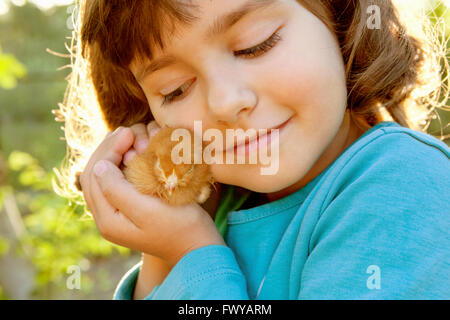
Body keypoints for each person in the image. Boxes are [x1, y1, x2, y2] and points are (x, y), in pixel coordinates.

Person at [56, 0, 450, 299]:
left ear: (339, 17)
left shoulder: (402, 183)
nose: (226, 101)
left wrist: (193, 254)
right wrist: (162, 242)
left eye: (256, 45)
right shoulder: (223, 210)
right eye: (175, 89)